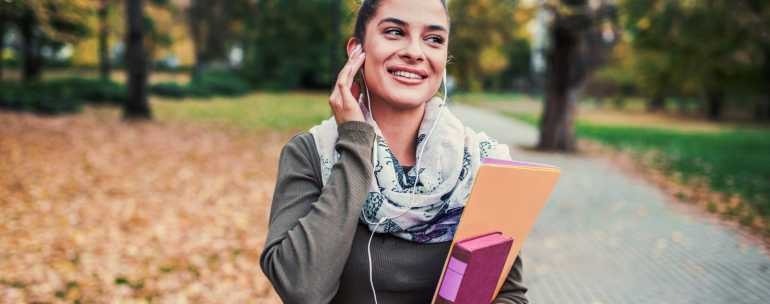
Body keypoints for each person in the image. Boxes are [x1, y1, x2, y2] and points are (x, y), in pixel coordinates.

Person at [260, 0, 528, 303]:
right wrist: (355, 143)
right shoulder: (310, 153)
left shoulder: (483, 164)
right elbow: (302, 289)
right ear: (356, 51)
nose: (415, 52)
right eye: (394, 32)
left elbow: (509, 295)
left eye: (434, 39)